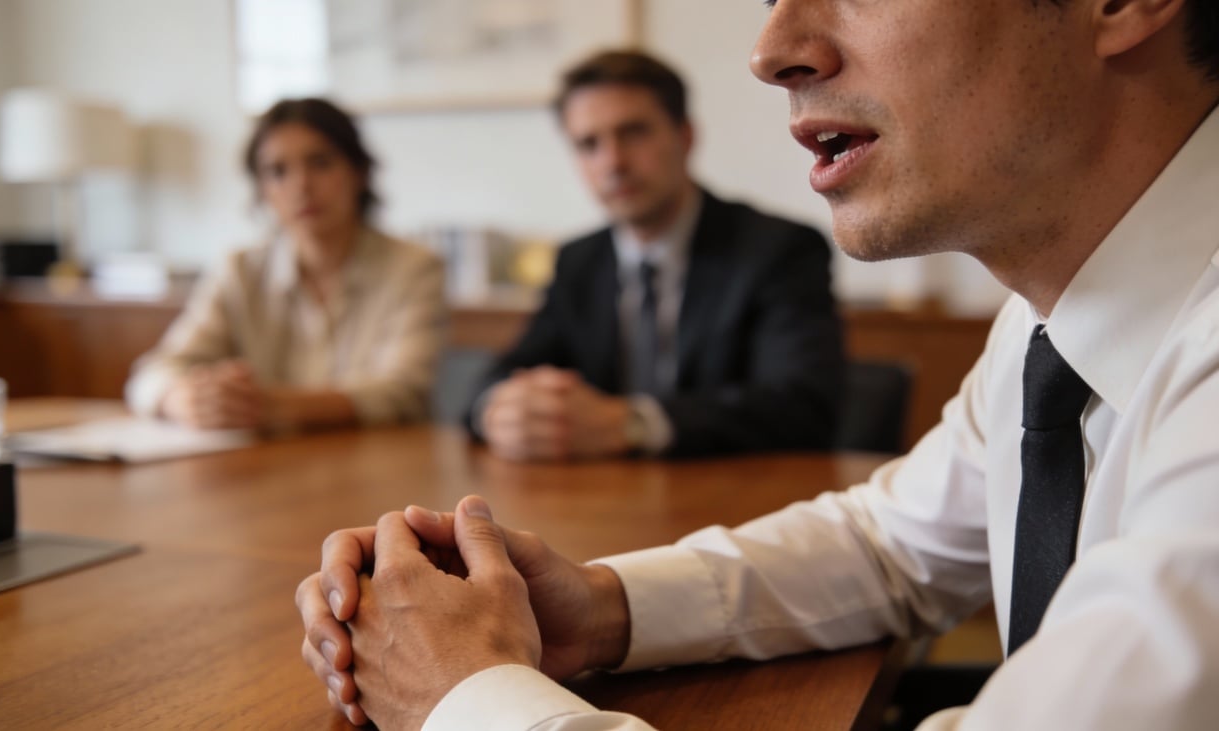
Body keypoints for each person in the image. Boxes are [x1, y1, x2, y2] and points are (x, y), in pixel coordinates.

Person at [298, 0, 1219, 729]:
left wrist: (471, 697)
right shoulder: (1043, 321)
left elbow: (798, 401)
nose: (771, 51)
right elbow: (887, 545)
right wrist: (599, 605)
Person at [467, 50, 843, 460]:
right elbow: (503, 374)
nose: (613, 162)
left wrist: (631, 424)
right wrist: (500, 412)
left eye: (633, 133)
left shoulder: (779, 249)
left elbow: (802, 406)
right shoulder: (579, 261)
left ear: (685, 136)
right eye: (589, 144)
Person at [126, 98, 445, 432]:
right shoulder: (240, 272)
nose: (301, 185)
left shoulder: (414, 268)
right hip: (261, 462)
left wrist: (269, 406)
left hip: (377, 459)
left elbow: (403, 390)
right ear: (262, 190)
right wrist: (185, 399)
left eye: (320, 163)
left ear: (359, 171)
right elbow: (152, 373)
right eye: (278, 171)